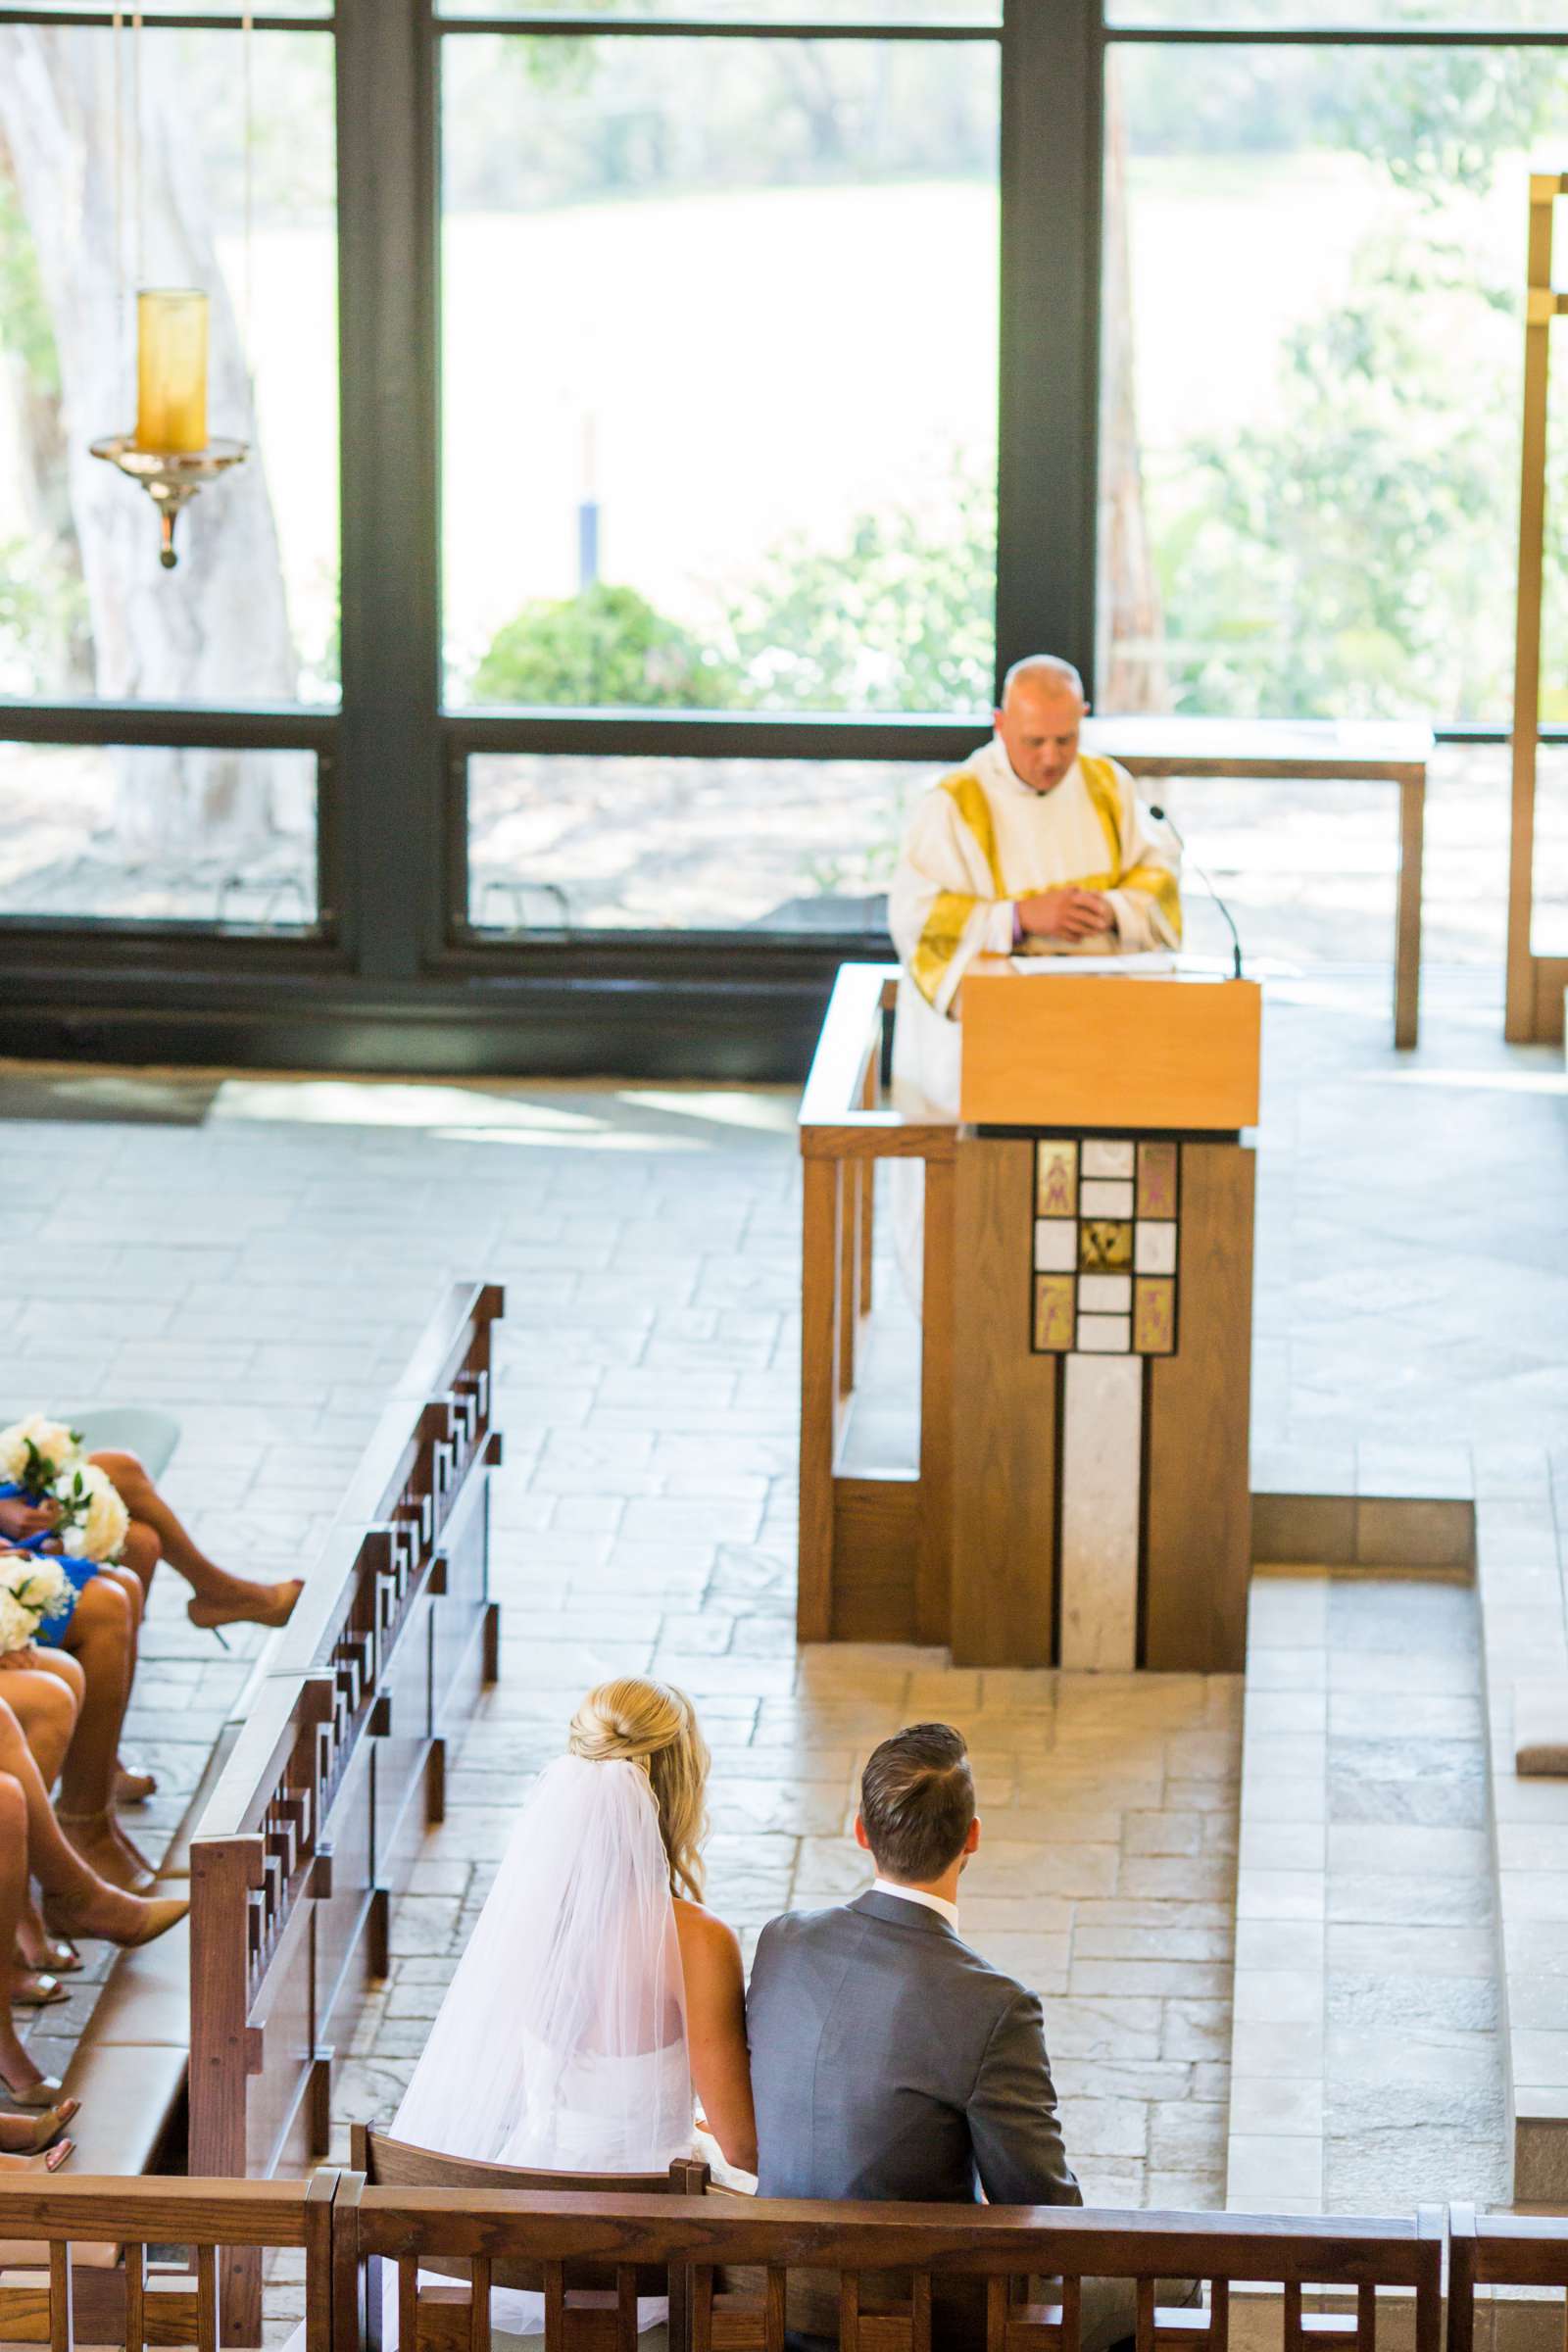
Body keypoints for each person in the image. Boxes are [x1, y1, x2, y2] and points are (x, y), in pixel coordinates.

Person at [746, 1722, 1193, 2352]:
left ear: (861, 1833)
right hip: (913, 2312)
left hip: (783, 2296)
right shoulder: (994, 2005)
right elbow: (1040, 2206)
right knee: (1173, 2283)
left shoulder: (782, 1940)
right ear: (973, 1838)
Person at [386, 1676, 756, 2335]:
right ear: (677, 1791)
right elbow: (745, 2143)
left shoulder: (523, 1917)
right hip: (644, 2248)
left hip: (523, 2233)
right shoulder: (697, 1941)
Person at [888, 656, 1182, 1121]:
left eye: (1065, 739)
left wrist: (1113, 910)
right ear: (1000, 725)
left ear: (1083, 717)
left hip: (1098, 1035)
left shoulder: (1107, 785)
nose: (1051, 757)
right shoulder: (955, 803)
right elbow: (915, 918)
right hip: (990, 1049)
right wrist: (1019, 918)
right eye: (1034, 741)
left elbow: (1159, 872)